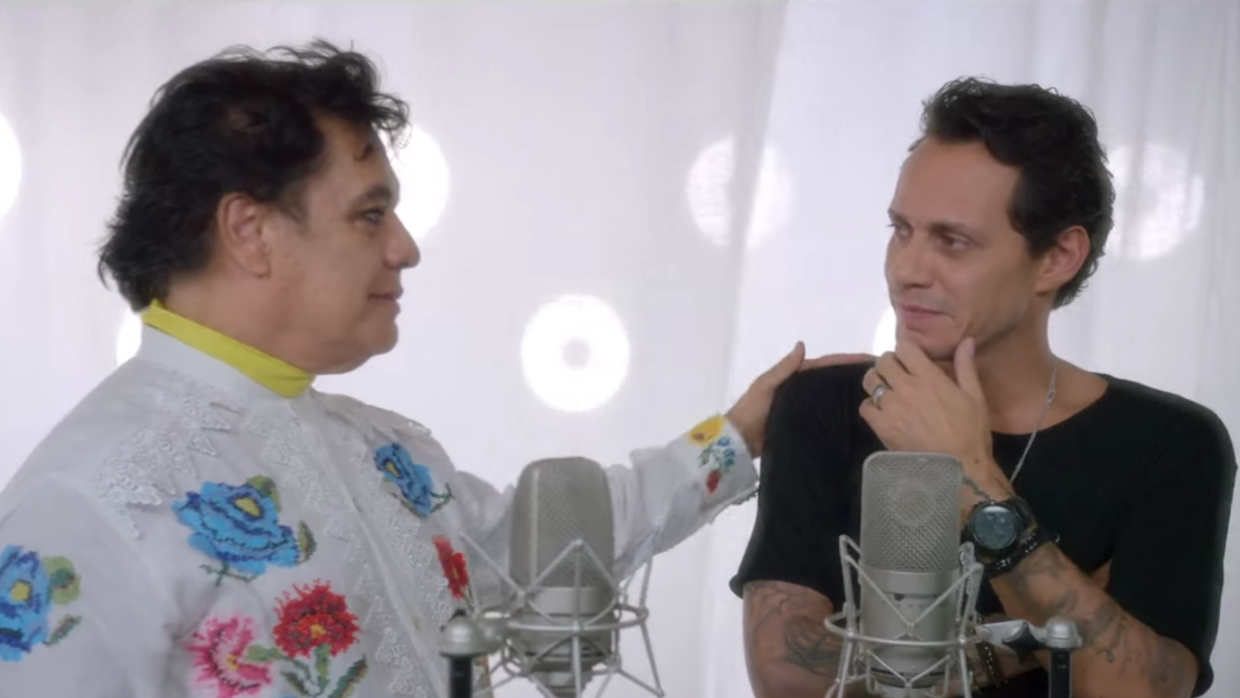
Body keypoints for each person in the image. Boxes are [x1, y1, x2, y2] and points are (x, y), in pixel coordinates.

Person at [0, 41, 866, 697]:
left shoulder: (381, 452)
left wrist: (739, 436)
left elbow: (548, 546)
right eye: (369, 215)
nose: (405, 248)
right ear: (250, 231)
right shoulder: (91, 501)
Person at [733, 77, 1236, 698]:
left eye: (952, 241)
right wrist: (1033, 640)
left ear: (1057, 257)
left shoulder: (1170, 443)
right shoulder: (824, 405)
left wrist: (974, 482)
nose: (906, 270)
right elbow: (786, 675)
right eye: (901, 230)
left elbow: (1148, 690)